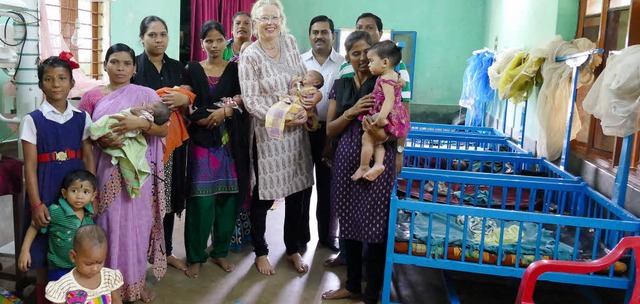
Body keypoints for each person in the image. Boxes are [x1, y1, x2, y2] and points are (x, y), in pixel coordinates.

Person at [79, 43, 167, 303]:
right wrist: (102, 143)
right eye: (114, 62)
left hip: (137, 175)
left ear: (134, 67)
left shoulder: (146, 94)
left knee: (136, 228)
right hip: (104, 172)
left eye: (126, 63)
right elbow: (85, 138)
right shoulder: (91, 97)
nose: (120, 68)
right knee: (106, 229)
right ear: (105, 65)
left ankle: (135, 284)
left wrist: (139, 123)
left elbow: (163, 130)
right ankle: (107, 287)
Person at [239, 0, 314, 276]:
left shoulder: (291, 43)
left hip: (297, 134)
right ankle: (261, 251)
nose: (269, 23)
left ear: (281, 20)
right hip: (268, 135)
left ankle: (292, 248)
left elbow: (303, 79)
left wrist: (306, 104)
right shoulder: (250, 56)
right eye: (263, 18)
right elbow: (251, 101)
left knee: (297, 192)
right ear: (255, 22)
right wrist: (285, 118)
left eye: (274, 17)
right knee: (263, 197)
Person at [321, 31, 395, 304]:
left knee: (376, 227)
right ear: (348, 57)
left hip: (377, 160)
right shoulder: (339, 86)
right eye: (356, 54)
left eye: (367, 53)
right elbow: (330, 128)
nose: (363, 59)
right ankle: (351, 285)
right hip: (345, 160)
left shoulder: (385, 83)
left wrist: (385, 138)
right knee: (349, 224)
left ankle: (372, 293)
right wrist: (351, 112)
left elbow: (397, 124)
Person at [20, 52, 95, 304]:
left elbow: (88, 157)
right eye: (49, 79)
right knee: (43, 247)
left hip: (77, 187)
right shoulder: (33, 120)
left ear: (72, 83)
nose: (56, 84)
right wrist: (36, 203)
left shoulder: (82, 117)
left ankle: (73, 296)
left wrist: (91, 194)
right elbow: (29, 166)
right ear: (41, 84)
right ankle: (45, 298)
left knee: (76, 242)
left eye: (62, 78)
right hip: (45, 185)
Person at [182, 20, 250, 278]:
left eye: (218, 40)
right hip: (201, 141)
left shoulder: (235, 70)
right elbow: (186, 99)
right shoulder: (192, 69)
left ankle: (219, 252)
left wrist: (227, 110)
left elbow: (244, 98)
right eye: (208, 40)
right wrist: (196, 117)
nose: (213, 45)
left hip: (229, 143)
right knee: (201, 201)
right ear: (201, 44)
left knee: (228, 199)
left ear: (226, 42)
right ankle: (196, 256)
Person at [132, 15, 190, 272]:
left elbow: (190, 101)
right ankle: (137, 252)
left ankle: (165, 250)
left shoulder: (179, 67)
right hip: (141, 144)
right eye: (152, 35)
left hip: (171, 145)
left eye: (163, 34)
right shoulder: (133, 66)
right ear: (142, 38)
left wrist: (183, 99)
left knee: (165, 198)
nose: (158, 39)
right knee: (143, 199)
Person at [300, 15, 344, 252]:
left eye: (324, 32)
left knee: (328, 188)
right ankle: (300, 236)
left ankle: (327, 236)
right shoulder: (299, 62)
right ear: (309, 35)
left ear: (332, 35)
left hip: (332, 132)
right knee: (302, 186)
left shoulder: (343, 64)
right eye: (315, 32)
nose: (319, 36)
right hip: (302, 133)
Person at [18, 170, 97, 282]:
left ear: (93, 196)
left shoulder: (89, 217)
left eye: (86, 192)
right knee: (58, 298)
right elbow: (34, 226)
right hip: (58, 270)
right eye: (74, 191)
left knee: (78, 298)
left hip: (81, 270)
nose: (79, 196)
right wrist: (24, 251)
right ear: (64, 193)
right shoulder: (55, 211)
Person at [352, 41, 410, 182]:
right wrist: (400, 83)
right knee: (378, 142)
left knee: (367, 138)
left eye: (371, 61)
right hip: (395, 115)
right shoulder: (395, 75)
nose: (369, 64)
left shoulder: (384, 79)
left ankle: (364, 166)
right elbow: (402, 84)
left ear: (384, 62)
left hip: (386, 115)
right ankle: (378, 164)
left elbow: (389, 100)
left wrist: (381, 118)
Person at [89, 101, 171, 198]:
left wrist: (141, 123)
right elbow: (82, 131)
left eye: (150, 105)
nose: (148, 104)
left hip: (128, 143)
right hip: (103, 162)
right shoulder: (92, 96)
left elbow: (164, 130)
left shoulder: (148, 95)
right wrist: (100, 142)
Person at [45, 225, 123, 304]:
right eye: (89, 264)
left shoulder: (110, 277)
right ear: (73, 256)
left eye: (100, 262)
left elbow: (117, 301)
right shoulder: (64, 286)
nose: (95, 268)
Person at [265, 70, 323, 139]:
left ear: (316, 82)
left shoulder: (313, 90)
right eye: (306, 75)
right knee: (281, 107)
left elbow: (305, 97)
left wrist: (298, 92)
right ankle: (277, 121)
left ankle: (279, 121)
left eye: (309, 76)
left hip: (301, 109)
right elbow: (294, 89)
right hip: (296, 105)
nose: (305, 76)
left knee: (284, 109)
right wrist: (294, 88)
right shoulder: (301, 87)